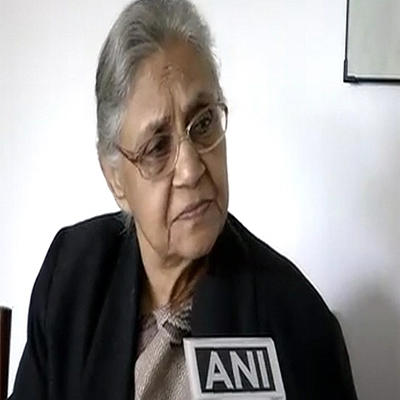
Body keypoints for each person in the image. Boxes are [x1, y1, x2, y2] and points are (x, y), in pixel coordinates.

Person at [10, 0, 358, 399]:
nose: (192, 169)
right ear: (115, 179)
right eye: (158, 147)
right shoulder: (71, 280)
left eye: (204, 122)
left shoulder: (296, 323)